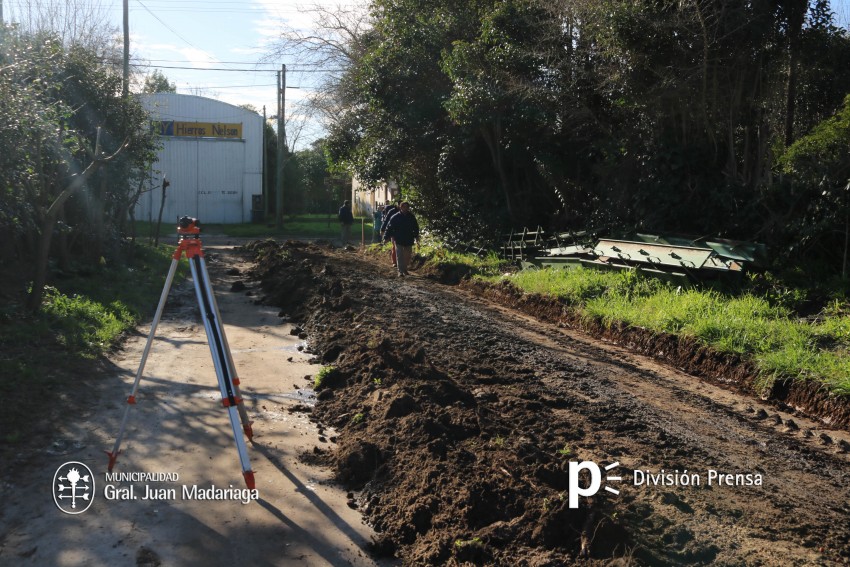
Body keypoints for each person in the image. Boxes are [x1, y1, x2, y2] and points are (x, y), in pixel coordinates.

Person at [382, 201, 419, 276]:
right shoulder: (395, 217)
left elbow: (415, 227)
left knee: (407, 255)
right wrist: (386, 237)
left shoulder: (411, 217)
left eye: (406, 207)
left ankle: (404, 269)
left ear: (408, 208)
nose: (405, 208)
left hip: (409, 238)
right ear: (400, 207)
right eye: (403, 207)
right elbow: (389, 227)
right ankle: (400, 271)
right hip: (398, 238)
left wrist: (416, 236)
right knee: (399, 255)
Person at [380, 201, 400, 266]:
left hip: (402, 232)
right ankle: (394, 261)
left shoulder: (407, 213)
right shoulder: (392, 211)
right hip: (393, 231)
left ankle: (401, 262)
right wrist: (383, 229)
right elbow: (386, 220)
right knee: (394, 246)